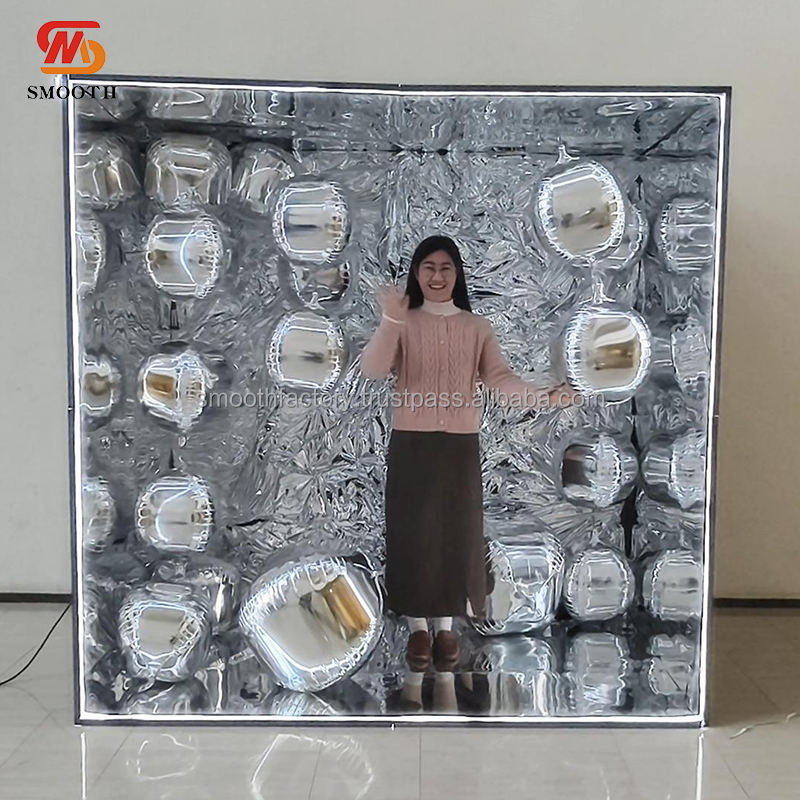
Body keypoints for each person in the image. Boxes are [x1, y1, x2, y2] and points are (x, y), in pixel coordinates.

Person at [360, 235, 577, 673]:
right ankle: (417, 628)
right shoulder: (403, 322)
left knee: (453, 533)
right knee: (413, 534)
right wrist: (390, 320)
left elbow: (500, 380)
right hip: (412, 444)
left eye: (445, 268)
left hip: (459, 446)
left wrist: (545, 397)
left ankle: (445, 628)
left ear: (457, 274)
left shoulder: (477, 328)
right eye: (428, 268)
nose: (437, 276)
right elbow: (373, 368)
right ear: (416, 274)